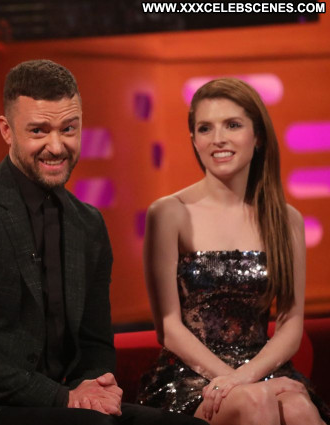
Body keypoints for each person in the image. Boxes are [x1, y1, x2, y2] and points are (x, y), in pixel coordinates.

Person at [0, 59, 207, 425]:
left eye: (68, 129)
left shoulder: (88, 223)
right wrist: (63, 397)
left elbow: (95, 342)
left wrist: (95, 386)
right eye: (38, 131)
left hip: (56, 403)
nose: (56, 146)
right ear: (6, 130)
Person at [136, 78, 330, 425]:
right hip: (191, 375)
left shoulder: (287, 220)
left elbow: (290, 322)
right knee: (254, 402)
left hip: (261, 369)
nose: (218, 138)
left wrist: (246, 377)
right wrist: (233, 382)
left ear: (258, 137)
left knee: (299, 410)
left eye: (232, 125)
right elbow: (169, 328)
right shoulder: (168, 213)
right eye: (205, 128)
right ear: (194, 139)